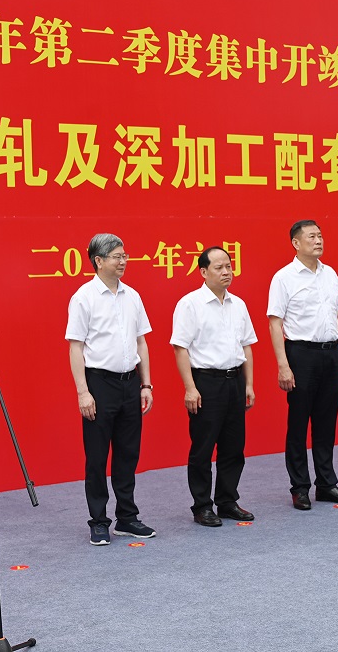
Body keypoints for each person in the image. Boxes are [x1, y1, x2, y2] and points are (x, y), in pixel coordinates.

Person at [66, 233, 156, 546]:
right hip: (99, 384)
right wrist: (83, 391)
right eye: (117, 256)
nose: (123, 261)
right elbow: (75, 347)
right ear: (99, 260)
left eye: (124, 255)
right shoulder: (84, 297)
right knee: (97, 456)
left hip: (130, 383)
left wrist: (146, 383)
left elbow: (141, 342)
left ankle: (127, 517)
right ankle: (99, 521)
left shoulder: (132, 296)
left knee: (128, 454)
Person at [267, 220, 338, 510]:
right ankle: (300, 487)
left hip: (331, 353)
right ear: (296, 243)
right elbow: (275, 323)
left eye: (320, 236)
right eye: (311, 237)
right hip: (301, 354)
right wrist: (283, 365)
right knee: (298, 423)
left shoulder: (330, 274)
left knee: (326, 423)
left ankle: (327, 484)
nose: (318, 241)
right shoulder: (284, 277)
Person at [171, 247, 257, 526]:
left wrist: (249, 384)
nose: (226, 272)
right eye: (219, 267)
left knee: (234, 447)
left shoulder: (238, 304)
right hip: (206, 382)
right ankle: (202, 506)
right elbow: (180, 348)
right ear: (203, 272)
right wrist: (190, 387)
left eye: (229, 266)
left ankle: (227, 501)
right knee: (203, 447)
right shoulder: (190, 304)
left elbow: (246, 346)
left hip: (235, 380)